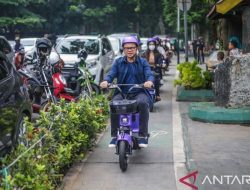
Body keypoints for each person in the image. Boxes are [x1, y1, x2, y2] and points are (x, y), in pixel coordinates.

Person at [100, 36, 154, 148]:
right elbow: (111, 74)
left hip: (139, 92)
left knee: (143, 103)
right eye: (127, 48)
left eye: (132, 48)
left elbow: (149, 74)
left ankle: (142, 135)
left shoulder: (143, 62)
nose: (129, 50)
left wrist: (149, 81)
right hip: (122, 92)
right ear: (123, 49)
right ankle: (115, 136)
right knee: (113, 104)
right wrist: (106, 81)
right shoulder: (118, 62)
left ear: (137, 48)